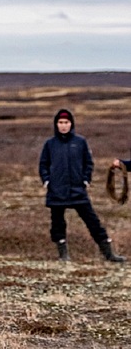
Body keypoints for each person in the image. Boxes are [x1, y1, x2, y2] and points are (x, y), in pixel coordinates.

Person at [38, 109, 125, 262]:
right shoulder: (50, 144)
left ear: (71, 124)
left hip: (77, 190)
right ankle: (63, 255)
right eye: (60, 122)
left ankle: (109, 254)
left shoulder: (80, 142)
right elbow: (43, 164)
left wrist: (85, 180)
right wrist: (47, 181)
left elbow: (88, 163)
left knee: (92, 221)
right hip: (56, 191)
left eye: (66, 122)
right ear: (56, 124)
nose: (63, 125)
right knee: (57, 224)